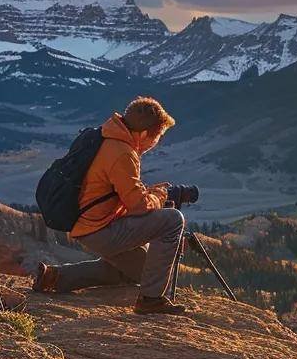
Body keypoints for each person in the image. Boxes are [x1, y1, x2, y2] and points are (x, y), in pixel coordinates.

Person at [32, 97, 189, 315]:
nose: (156, 143)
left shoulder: (105, 136)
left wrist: (149, 194)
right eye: (158, 137)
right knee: (173, 220)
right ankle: (151, 300)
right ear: (144, 134)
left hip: (87, 226)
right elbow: (138, 206)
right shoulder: (122, 152)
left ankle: (54, 277)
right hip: (100, 230)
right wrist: (159, 196)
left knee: (140, 272)